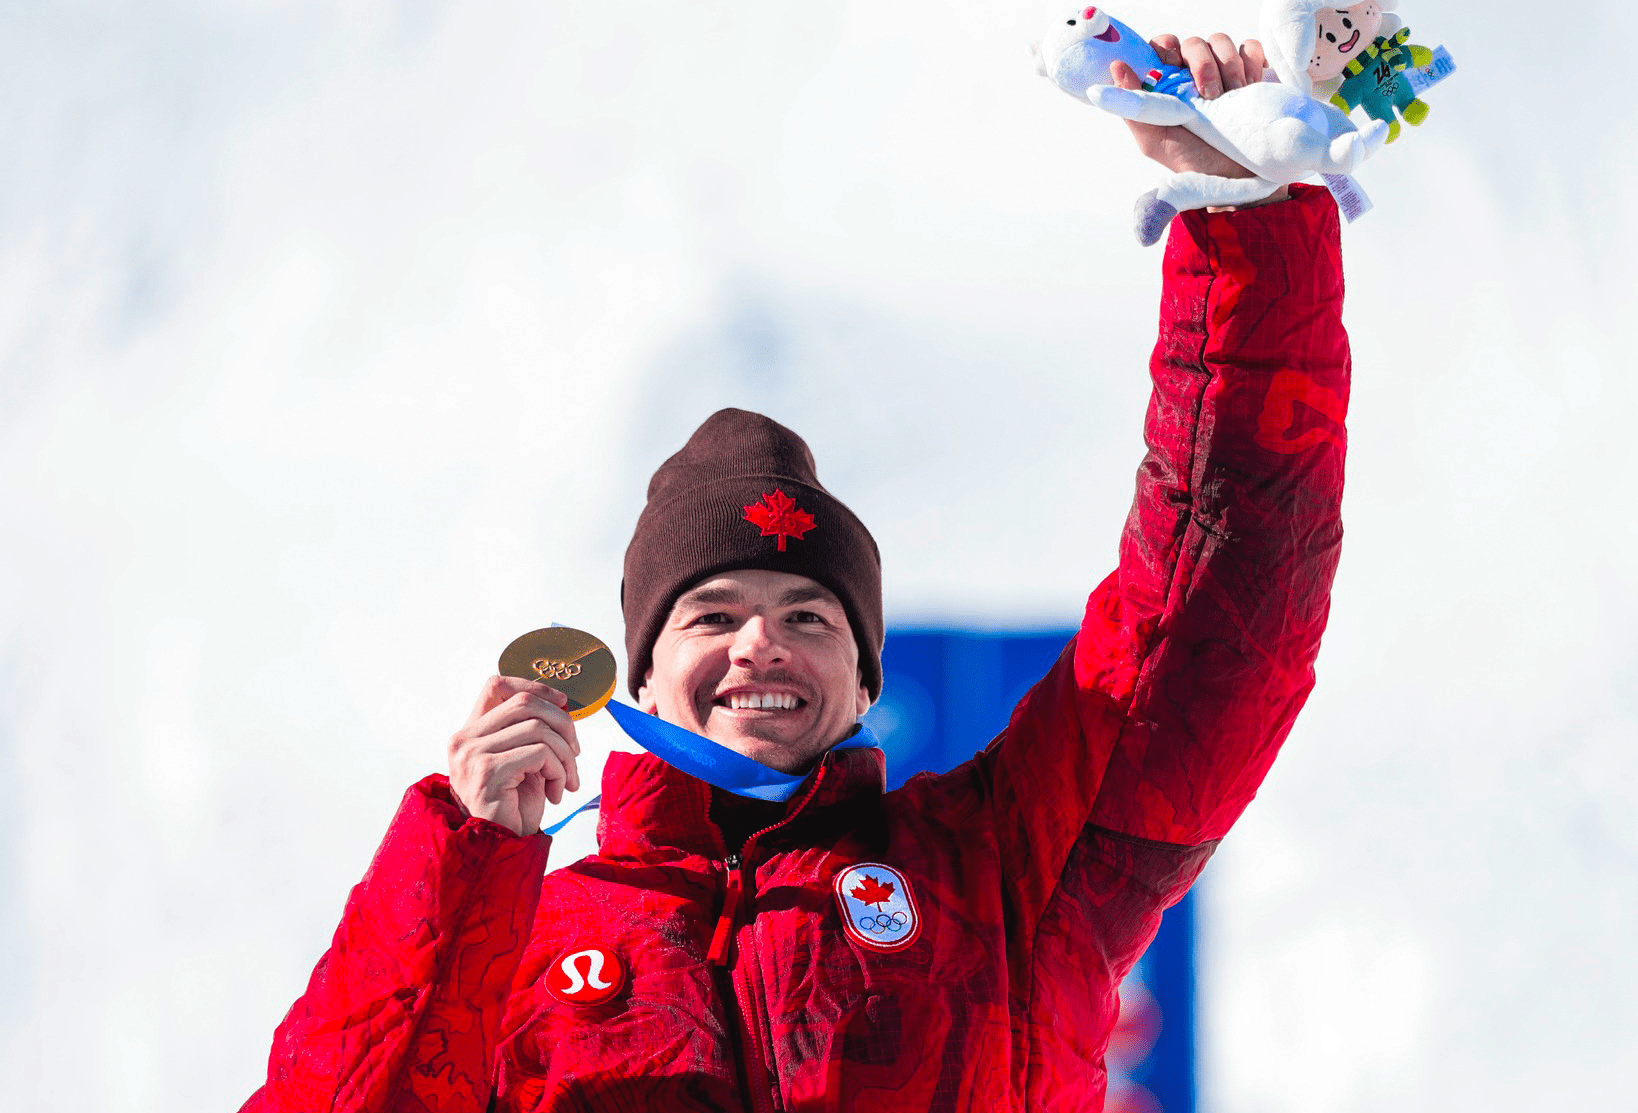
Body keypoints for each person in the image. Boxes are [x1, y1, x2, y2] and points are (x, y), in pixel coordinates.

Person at [243, 32, 1351, 1113]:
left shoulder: (1004, 873)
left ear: (867, 682)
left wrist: (1242, 228)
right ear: (640, 676)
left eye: (811, 616)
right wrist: (464, 863)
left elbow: (1211, 609)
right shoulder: (520, 938)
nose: (760, 645)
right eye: (710, 613)